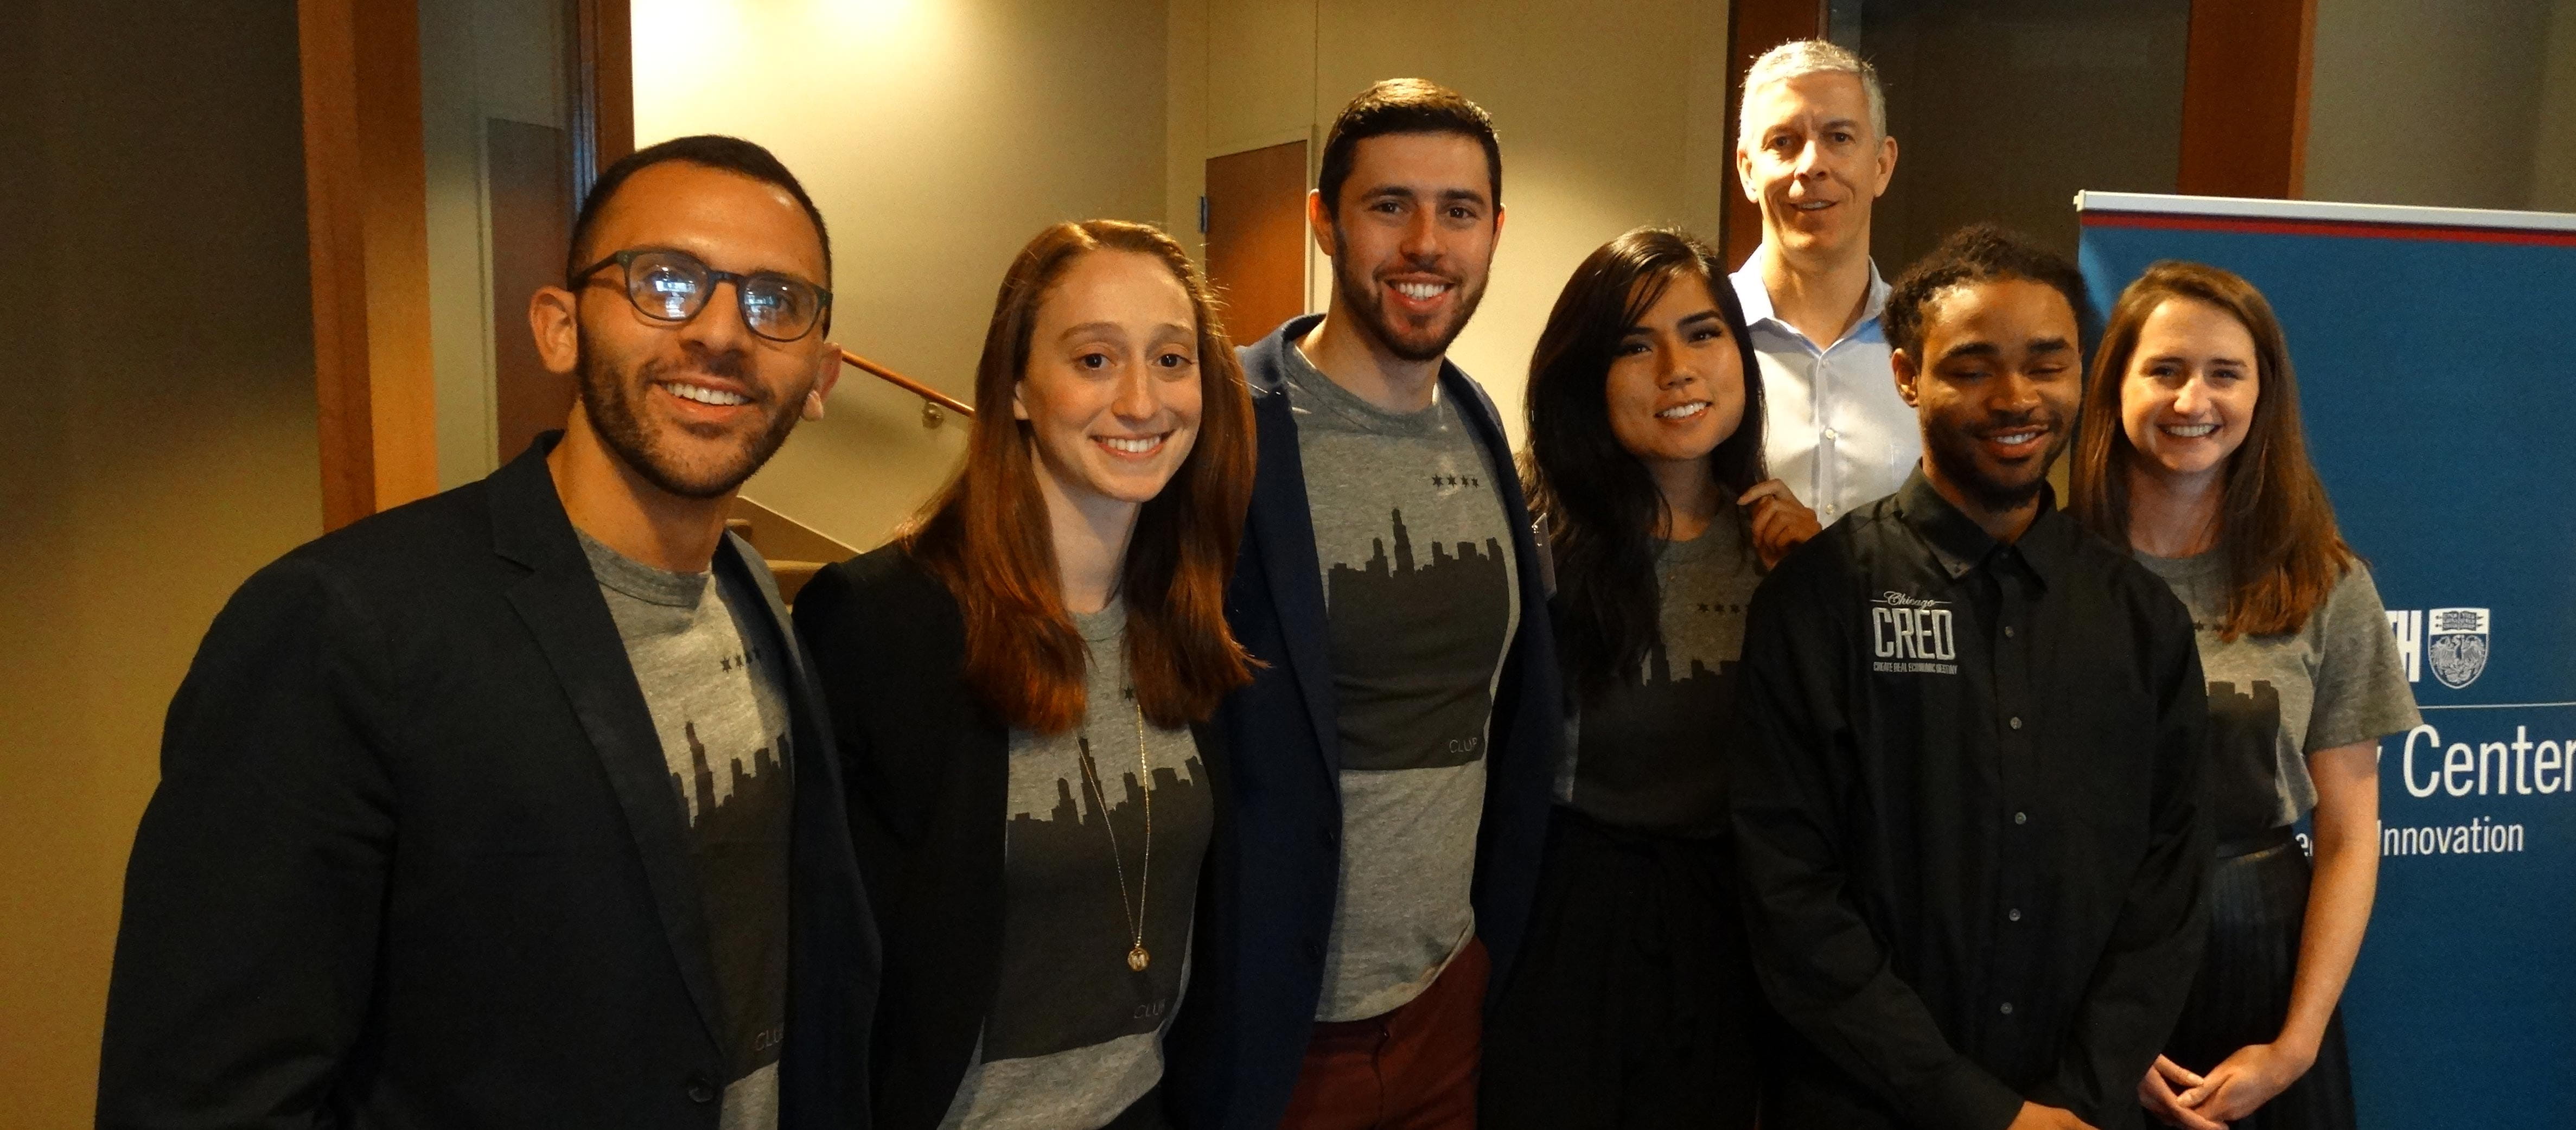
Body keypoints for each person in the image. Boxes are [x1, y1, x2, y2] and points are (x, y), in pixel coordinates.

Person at [99, 135, 875, 1128]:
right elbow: (203, 1094)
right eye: (666, 281)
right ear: (559, 326)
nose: (722, 331)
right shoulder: (342, 623)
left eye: (777, 301)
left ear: (821, 372)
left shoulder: (751, 588)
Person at [1731, 224, 2213, 1130]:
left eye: (2047, 363)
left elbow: (2170, 884)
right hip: (1866, 1105)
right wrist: (1981, 1110)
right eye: (1972, 367)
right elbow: (1790, 893)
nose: (2015, 396)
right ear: (1906, 375)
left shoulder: (2141, 620)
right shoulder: (1820, 600)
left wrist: (2077, 1099)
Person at [794, 220, 1258, 1130]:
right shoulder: (883, 623)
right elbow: (823, 965)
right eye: (1094, 359)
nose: (1141, 400)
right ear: (1015, 386)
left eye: (1171, 360)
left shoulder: (1185, 610)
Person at [1162, 79, 1560, 1130]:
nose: (1425, 242)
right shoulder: (1227, 429)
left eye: (1458, 211)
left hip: (1446, 1007)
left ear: (1494, 231)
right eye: (1390, 206)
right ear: (1324, 220)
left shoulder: (1477, 418)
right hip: (1281, 1026)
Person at [1480, 227, 1818, 1129]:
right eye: (1635, 345)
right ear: (1587, 375)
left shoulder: (1787, 548)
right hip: (1564, 926)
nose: (1677, 369)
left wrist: (1821, 588)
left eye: (1703, 333)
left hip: (1727, 928)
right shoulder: (1533, 539)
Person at [2068, 263, 2419, 1130]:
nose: (2194, 398)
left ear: (2264, 395)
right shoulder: (2047, 570)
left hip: (2264, 962)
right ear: (2115, 385)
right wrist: (2100, 1034)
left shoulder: (2325, 582)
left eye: (2225, 372)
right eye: (2164, 369)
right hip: (2082, 964)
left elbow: (2348, 835)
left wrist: (2295, 1045)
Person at [1729, 39, 1917, 526]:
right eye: (1783, 142)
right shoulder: (1698, 339)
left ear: (1882, 165)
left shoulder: (1930, 346)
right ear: (1748, 171)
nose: (1812, 164)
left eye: (1839, 137)